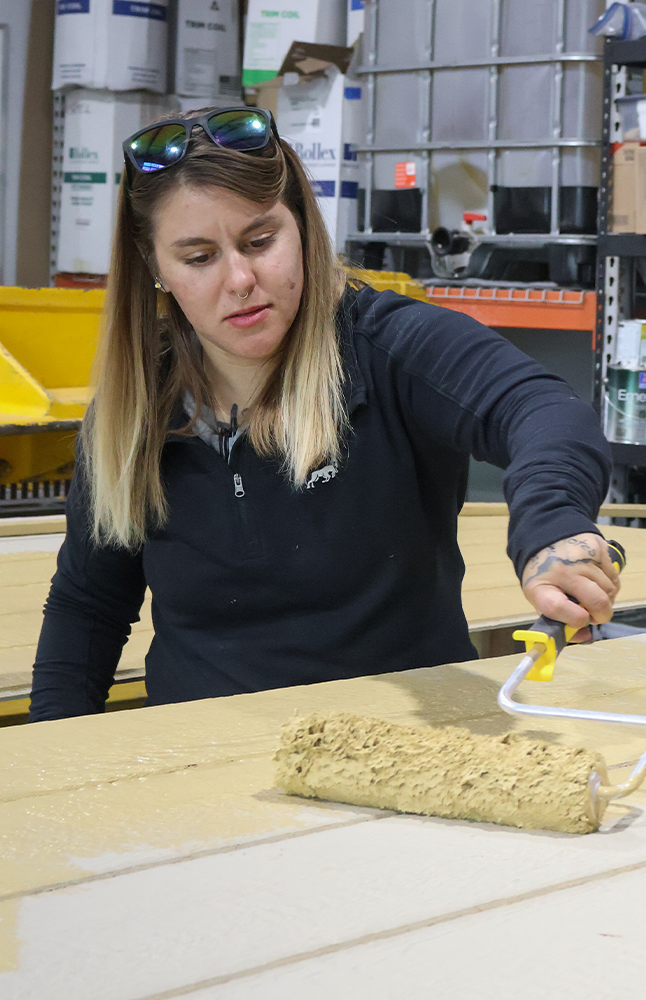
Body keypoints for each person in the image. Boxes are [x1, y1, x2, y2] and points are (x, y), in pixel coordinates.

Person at [29, 107, 616, 722]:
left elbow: (540, 409)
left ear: (303, 229)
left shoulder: (388, 348)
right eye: (198, 257)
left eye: (260, 242)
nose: (240, 279)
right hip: (202, 765)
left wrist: (550, 524)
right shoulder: (134, 410)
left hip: (406, 750)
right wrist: (48, 760)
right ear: (155, 268)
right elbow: (87, 608)